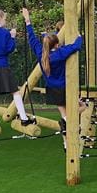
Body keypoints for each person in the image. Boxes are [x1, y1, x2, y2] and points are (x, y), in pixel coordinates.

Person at [22, 8, 85, 141]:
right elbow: (76, 46)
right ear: (57, 44)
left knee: (64, 114)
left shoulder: (41, 53)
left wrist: (27, 20)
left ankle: (66, 140)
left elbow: (32, 39)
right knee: (82, 107)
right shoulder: (60, 53)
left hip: (51, 88)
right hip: (64, 88)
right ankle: (67, 126)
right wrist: (79, 35)